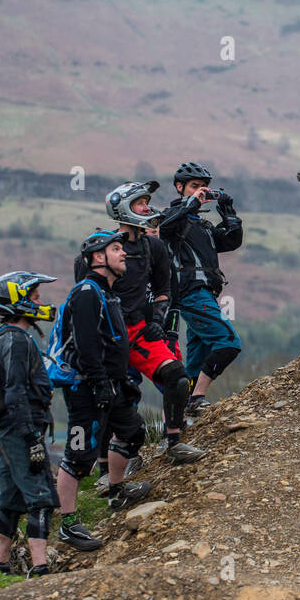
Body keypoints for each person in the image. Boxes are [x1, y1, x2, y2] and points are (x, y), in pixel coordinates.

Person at [80, 181, 207, 465]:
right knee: (115, 400)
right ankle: (105, 471)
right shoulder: (103, 247)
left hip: (140, 330)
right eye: (141, 203)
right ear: (124, 208)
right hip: (109, 334)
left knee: (178, 377)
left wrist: (159, 320)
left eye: (147, 202)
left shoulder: (155, 246)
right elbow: (86, 289)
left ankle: (173, 441)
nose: (147, 207)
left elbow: (164, 289)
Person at [54, 230, 152, 552]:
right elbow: (85, 345)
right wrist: (99, 383)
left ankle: (116, 492)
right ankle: (68, 525)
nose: (123, 253)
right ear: (98, 258)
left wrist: (120, 380)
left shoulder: (108, 294)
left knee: (132, 432)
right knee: (79, 453)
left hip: (112, 383)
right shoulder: (86, 293)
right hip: (86, 388)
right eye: (115, 248)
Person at [0, 270, 59, 578]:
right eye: (36, 297)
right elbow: (14, 391)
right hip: (20, 429)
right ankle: (40, 569)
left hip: (9, 428)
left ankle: (0, 568)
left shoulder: (6, 337)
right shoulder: (15, 341)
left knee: (11, 498)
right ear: (19, 301)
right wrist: (31, 438)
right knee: (40, 498)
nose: (41, 302)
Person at [157, 162, 243, 416]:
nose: (200, 192)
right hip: (190, 293)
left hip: (207, 294)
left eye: (204, 187)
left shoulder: (202, 225)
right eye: (194, 187)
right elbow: (164, 229)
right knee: (228, 342)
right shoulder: (170, 217)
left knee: (195, 361)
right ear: (179, 187)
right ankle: (197, 398)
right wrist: (192, 202)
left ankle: (179, 414)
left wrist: (229, 214)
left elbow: (230, 241)